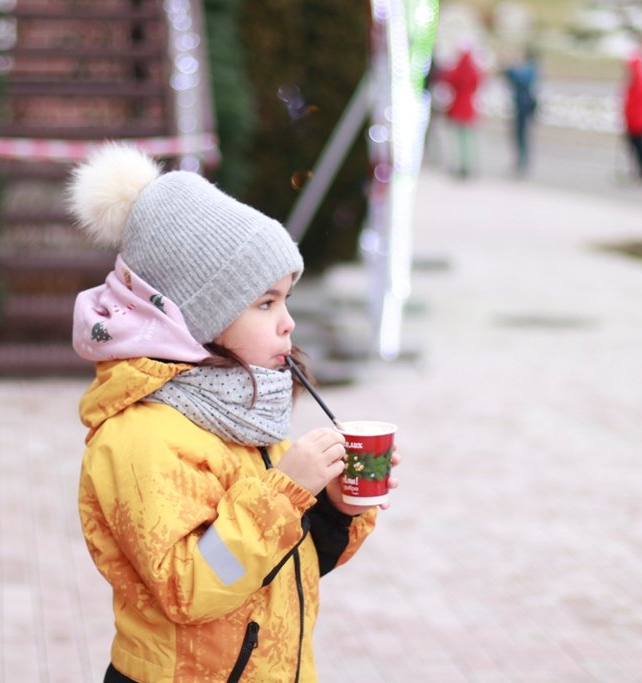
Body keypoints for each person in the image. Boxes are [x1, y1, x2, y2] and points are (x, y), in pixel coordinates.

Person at [67, 142, 398, 683]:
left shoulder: (237, 409)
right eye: (265, 304)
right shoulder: (142, 436)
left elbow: (272, 567)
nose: (287, 322)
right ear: (196, 317)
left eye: (287, 300)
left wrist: (333, 509)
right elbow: (190, 586)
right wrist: (286, 492)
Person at [438, 45, 483, 178]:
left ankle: (458, 164)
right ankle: (466, 164)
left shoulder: (456, 70)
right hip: (468, 108)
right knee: (467, 139)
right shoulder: (474, 70)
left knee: (456, 139)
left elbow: (447, 80)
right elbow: (477, 84)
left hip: (457, 107)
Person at [503, 48, 539, 176]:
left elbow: (520, 80)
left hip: (524, 106)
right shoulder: (531, 69)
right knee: (519, 135)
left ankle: (523, 161)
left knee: (522, 135)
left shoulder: (530, 69)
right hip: (522, 105)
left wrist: (510, 69)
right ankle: (521, 160)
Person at [623, 49, 642, 181]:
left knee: (641, 148)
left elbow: (640, 104)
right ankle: (639, 171)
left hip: (639, 121)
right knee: (634, 148)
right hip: (633, 121)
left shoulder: (640, 82)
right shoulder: (634, 81)